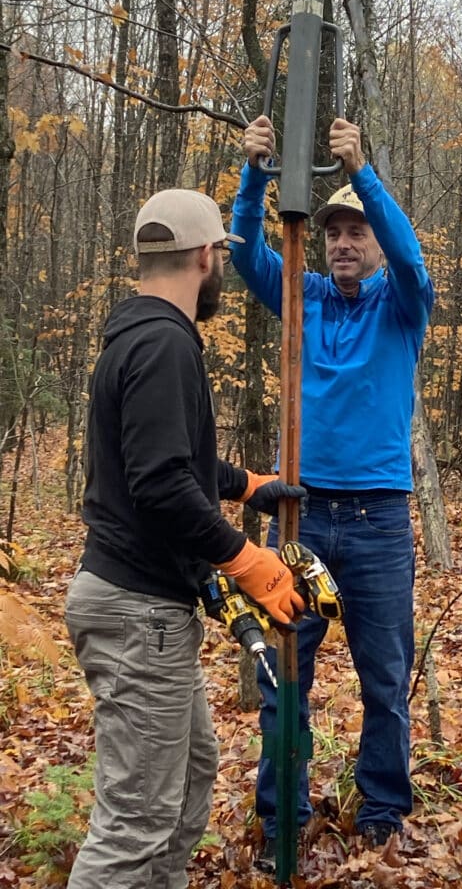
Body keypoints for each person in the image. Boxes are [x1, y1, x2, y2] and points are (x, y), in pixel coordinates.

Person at [64, 188, 306, 889]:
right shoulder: (164, 344)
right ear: (206, 256)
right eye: (221, 261)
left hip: (143, 609)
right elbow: (161, 484)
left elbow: (165, 459)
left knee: (190, 780)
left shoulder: (136, 338)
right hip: (138, 612)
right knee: (135, 822)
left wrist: (244, 484)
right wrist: (248, 561)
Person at [230, 115, 434, 867]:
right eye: (335, 232)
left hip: (379, 521)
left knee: (384, 679)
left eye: (358, 231)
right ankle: (281, 814)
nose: (346, 242)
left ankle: (383, 812)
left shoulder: (402, 305)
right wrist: (253, 177)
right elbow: (243, 252)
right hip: (303, 515)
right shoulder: (302, 296)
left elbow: (413, 262)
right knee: (286, 674)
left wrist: (365, 174)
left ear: (375, 241)